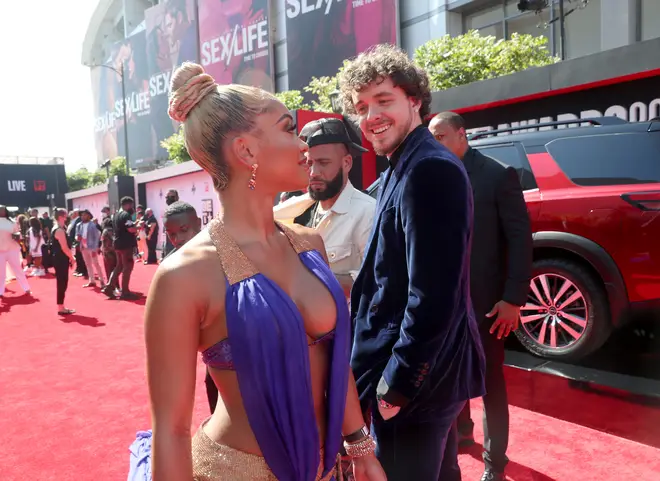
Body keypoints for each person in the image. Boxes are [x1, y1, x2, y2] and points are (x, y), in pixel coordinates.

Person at [140, 61, 386, 481]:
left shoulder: (309, 244)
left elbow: (333, 358)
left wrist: (360, 446)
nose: (304, 144)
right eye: (289, 129)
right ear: (246, 151)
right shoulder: (184, 276)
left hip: (326, 469)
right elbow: (172, 431)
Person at [339, 44, 486, 481]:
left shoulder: (428, 169)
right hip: (424, 381)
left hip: (417, 386)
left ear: (415, 100)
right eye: (362, 107)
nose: (371, 116)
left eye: (384, 101)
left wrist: (397, 385)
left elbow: (435, 296)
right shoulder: (401, 165)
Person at [430, 112, 533, 481]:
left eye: (440, 136)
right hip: (443, 302)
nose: (434, 143)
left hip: (488, 303)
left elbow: (520, 241)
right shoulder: (434, 176)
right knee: (447, 376)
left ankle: (495, 465)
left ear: (462, 135)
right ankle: (462, 433)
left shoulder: (496, 174)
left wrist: (513, 299)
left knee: (490, 382)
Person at [274, 118, 376, 299]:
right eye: (309, 163)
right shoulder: (294, 209)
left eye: (323, 162)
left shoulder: (368, 212)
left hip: (348, 326)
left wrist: (309, 277)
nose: (313, 173)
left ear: (346, 163)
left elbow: (375, 281)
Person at [102, 197, 139, 300]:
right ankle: (125, 291)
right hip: (126, 244)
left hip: (117, 244)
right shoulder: (126, 215)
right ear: (128, 204)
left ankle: (109, 287)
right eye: (131, 205)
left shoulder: (115, 215)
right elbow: (131, 229)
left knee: (119, 266)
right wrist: (138, 227)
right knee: (128, 267)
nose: (132, 207)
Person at [0, 206, 31, 298]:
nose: (1, 211)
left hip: (12, 249)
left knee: (18, 269)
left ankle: (26, 288)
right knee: (1, 273)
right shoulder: (12, 222)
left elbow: (18, 236)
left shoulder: (12, 222)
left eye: (2, 210)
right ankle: (1, 291)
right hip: (1, 251)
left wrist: (17, 237)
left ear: (6, 211)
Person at [51, 208, 75, 315]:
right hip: (60, 259)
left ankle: (61, 306)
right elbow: (64, 247)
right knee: (62, 283)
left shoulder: (60, 228)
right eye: (65, 216)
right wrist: (72, 257)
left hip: (61, 259)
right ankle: (60, 308)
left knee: (63, 282)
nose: (67, 218)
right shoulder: (59, 230)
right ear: (61, 217)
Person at [76, 210, 105, 288]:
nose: (83, 216)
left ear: (89, 216)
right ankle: (92, 280)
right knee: (88, 264)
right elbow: (77, 235)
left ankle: (102, 281)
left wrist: (95, 249)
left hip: (91, 247)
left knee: (96, 264)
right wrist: (77, 238)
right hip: (83, 247)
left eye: (85, 215)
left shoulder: (92, 225)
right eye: (82, 215)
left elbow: (97, 237)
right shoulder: (79, 225)